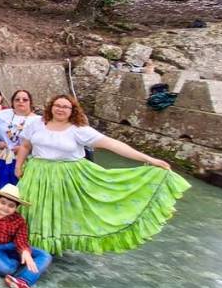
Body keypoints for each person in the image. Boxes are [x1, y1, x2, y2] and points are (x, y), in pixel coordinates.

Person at [15, 94, 189, 255]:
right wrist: (18, 166)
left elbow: (112, 145)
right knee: (33, 209)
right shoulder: (36, 124)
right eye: (57, 105)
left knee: (59, 211)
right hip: (36, 173)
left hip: (66, 176)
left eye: (66, 107)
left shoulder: (79, 130)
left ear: (72, 111)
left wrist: (150, 160)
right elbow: (25, 146)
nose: (60, 109)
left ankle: (49, 247)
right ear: (51, 107)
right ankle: (26, 245)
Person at [0, 90, 40, 188]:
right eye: (17, 99)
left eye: (25, 100)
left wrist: (24, 148)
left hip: (26, 160)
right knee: (2, 188)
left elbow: (41, 142)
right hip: (3, 158)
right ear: (12, 102)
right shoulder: (2, 115)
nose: (21, 101)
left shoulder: (38, 121)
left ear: (30, 102)